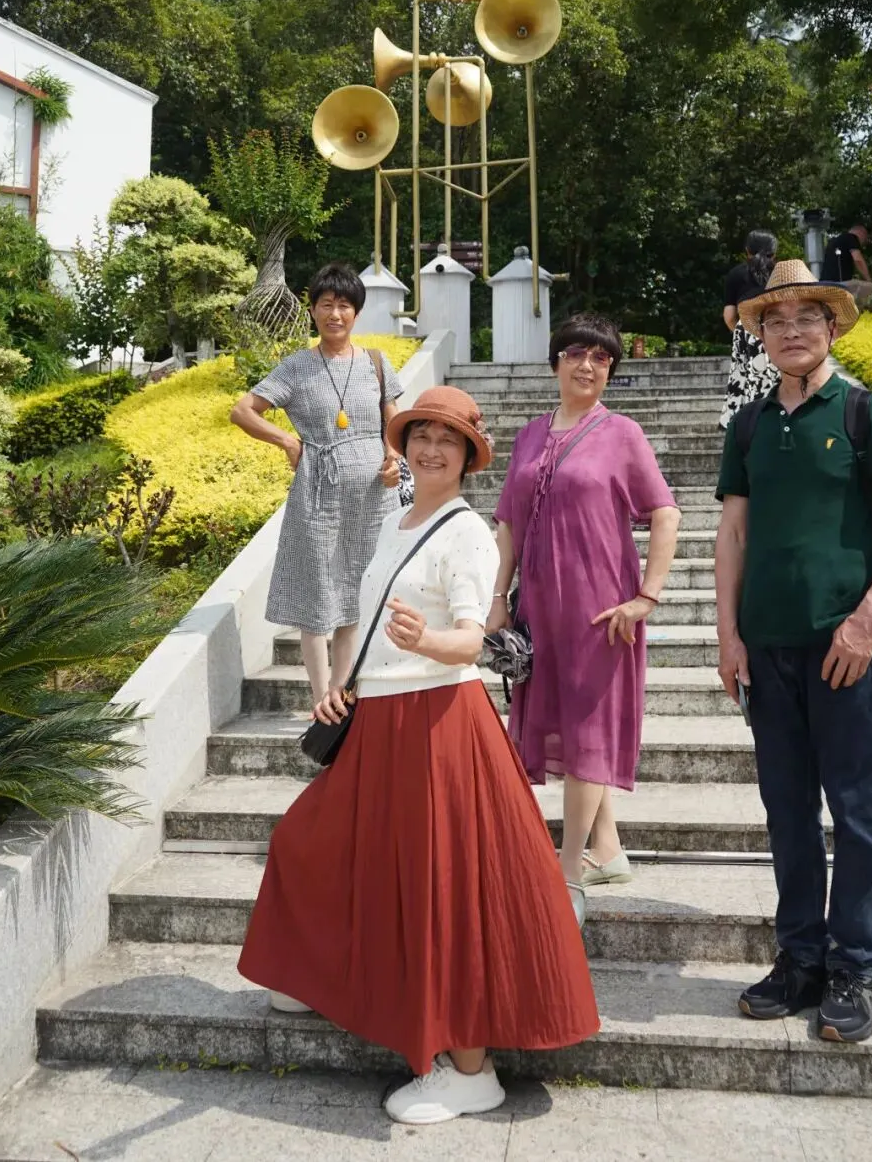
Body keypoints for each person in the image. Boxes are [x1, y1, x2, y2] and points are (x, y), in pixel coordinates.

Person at [237, 386, 599, 1125]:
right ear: (405, 444)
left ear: (468, 456)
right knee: (313, 844)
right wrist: (343, 687)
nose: (433, 448)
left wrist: (426, 641)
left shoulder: (466, 534)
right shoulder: (397, 520)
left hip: (437, 723)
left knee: (443, 891)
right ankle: (313, 972)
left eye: (449, 439)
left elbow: (472, 638)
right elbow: (367, 621)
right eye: (422, 434)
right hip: (382, 717)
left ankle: (469, 1068)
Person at [714, 259, 872, 1043]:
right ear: (760, 336)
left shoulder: (869, 412)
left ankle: (856, 968)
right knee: (787, 813)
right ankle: (800, 958)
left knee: (856, 812)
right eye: (775, 321)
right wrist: (727, 634)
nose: (791, 332)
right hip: (767, 648)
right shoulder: (747, 425)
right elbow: (732, 533)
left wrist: (868, 620)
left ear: (832, 327)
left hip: (845, 649)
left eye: (807, 318)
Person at [489, 313, 682, 924]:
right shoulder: (529, 435)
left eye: (602, 358)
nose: (588, 365)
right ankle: (608, 850)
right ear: (556, 362)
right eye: (577, 353)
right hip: (539, 608)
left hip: (602, 610)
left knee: (589, 730)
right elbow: (508, 521)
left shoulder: (622, 434)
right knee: (570, 726)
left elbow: (666, 514)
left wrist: (646, 596)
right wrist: (497, 596)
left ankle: (567, 873)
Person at [229, 262, 403, 705]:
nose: (335, 314)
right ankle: (319, 696)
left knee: (356, 593)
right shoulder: (296, 367)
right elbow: (242, 411)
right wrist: (287, 440)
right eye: (326, 305)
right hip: (318, 493)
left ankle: (340, 692)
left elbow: (395, 423)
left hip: (373, 498)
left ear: (356, 313)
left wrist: (393, 458)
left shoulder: (376, 363)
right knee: (319, 592)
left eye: (344, 306)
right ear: (312, 311)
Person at [719, 230, 780, 430]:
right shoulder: (781, 273)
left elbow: (729, 315)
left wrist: (741, 332)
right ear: (774, 253)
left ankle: (743, 426)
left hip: (745, 330)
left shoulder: (736, 274)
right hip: (777, 329)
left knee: (743, 381)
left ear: (747, 251)